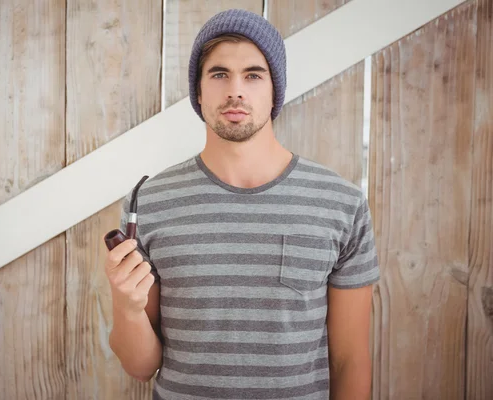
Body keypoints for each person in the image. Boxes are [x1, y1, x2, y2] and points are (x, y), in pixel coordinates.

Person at [105, 8, 380, 400]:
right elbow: (141, 367)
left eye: (253, 75)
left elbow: (349, 359)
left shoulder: (341, 204)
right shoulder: (149, 203)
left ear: (275, 90)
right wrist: (127, 306)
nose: (236, 89)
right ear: (198, 92)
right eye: (219, 74)